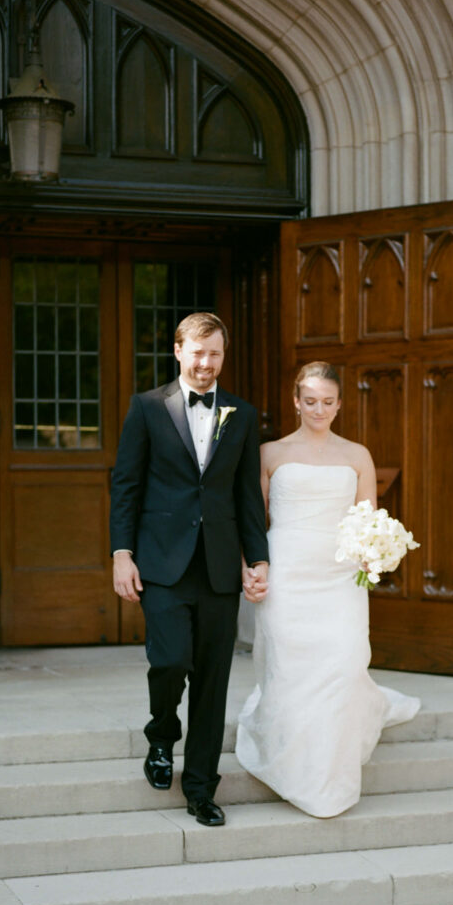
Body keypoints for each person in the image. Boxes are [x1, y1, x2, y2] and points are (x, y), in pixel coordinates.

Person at [236, 361, 420, 818]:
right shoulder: (270, 453)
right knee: (290, 668)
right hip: (288, 575)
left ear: (340, 404)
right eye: (311, 401)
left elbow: (369, 521)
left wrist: (374, 552)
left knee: (342, 663)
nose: (319, 409)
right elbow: (252, 523)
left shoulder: (357, 455)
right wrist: (249, 567)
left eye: (328, 402)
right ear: (296, 401)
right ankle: (291, 764)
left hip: (339, 578)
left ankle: (328, 780)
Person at [110, 312, 269, 827]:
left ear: (224, 356)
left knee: (213, 681)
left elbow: (247, 495)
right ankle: (161, 735)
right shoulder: (148, 407)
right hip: (162, 562)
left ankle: (201, 788)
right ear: (178, 351)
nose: (206, 363)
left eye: (215, 354)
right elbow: (126, 485)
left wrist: (258, 558)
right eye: (197, 353)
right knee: (171, 659)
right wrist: (121, 554)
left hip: (220, 567)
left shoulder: (242, 415)